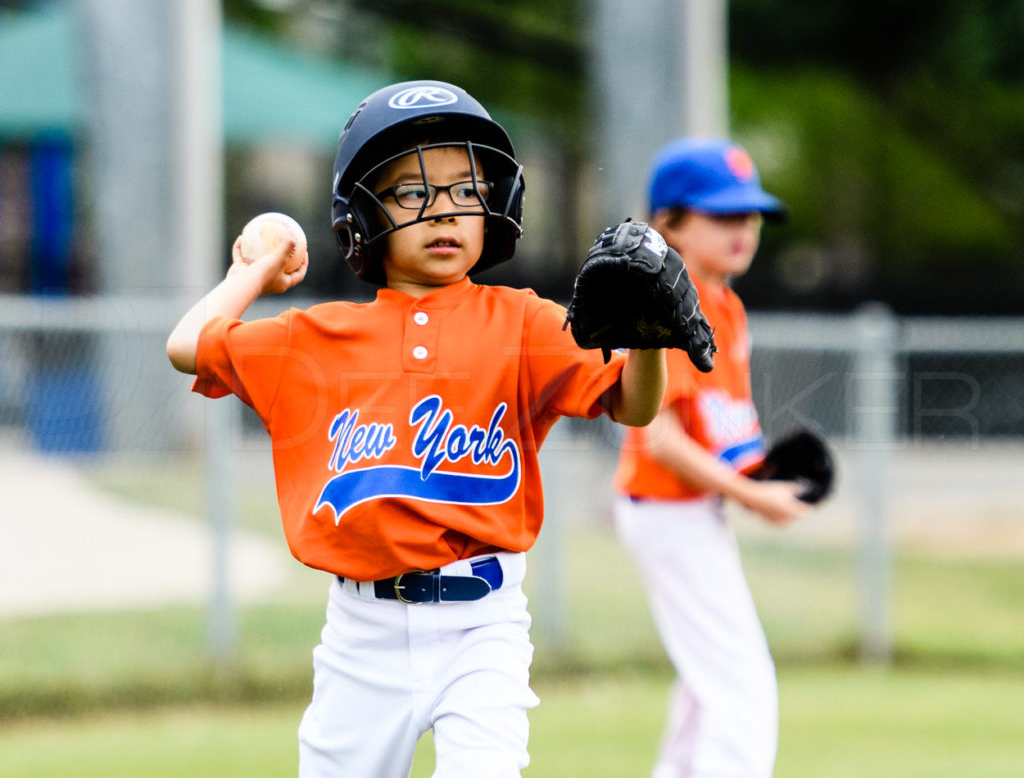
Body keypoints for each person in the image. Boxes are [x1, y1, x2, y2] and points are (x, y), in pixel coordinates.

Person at [166, 80, 668, 777]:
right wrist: (253, 271)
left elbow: (634, 406)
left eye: (466, 190)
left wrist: (648, 338)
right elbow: (187, 344)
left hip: (483, 622)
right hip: (362, 633)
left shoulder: (524, 322)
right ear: (360, 214)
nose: (444, 210)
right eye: (412, 192)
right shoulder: (317, 337)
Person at [612, 137, 813, 778]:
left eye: (751, 216)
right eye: (723, 215)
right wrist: (752, 495)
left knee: (707, 687)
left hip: (689, 512)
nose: (742, 230)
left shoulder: (726, 305)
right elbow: (660, 438)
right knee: (742, 687)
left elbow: (717, 429)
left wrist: (762, 478)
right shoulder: (670, 304)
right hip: (667, 511)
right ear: (669, 222)